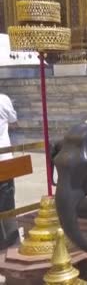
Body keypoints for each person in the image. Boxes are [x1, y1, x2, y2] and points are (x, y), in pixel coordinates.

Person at [0, 93, 18, 249]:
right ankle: (11, 243)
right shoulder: (3, 99)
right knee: (6, 202)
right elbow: (14, 122)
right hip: (3, 158)